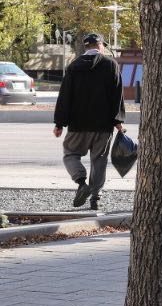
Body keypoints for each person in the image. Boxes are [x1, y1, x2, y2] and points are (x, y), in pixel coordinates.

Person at [52, 33, 125, 211]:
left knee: (70, 154)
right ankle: (95, 198)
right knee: (99, 161)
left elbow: (65, 96)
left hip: (78, 125)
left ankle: (81, 181)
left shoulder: (74, 66)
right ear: (99, 45)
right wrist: (118, 121)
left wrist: (59, 123)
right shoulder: (110, 65)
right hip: (103, 125)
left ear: (86, 47)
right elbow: (117, 95)